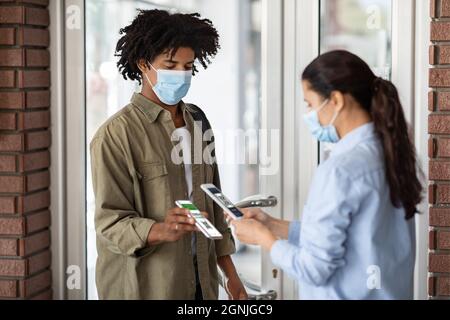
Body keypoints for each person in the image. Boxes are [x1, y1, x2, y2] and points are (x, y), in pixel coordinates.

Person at [231, 50, 423, 300]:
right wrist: (273, 225)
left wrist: (264, 239)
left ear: (336, 100)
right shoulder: (391, 153)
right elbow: (354, 237)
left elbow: (314, 269)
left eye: (310, 104)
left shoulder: (340, 170)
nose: (310, 114)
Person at [90, 9, 247, 300]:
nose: (181, 74)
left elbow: (212, 207)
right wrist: (160, 230)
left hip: (202, 282)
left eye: (188, 66)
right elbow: (109, 223)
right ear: (143, 65)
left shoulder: (197, 122)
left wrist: (231, 275)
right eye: (170, 65)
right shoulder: (115, 135)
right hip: (149, 287)